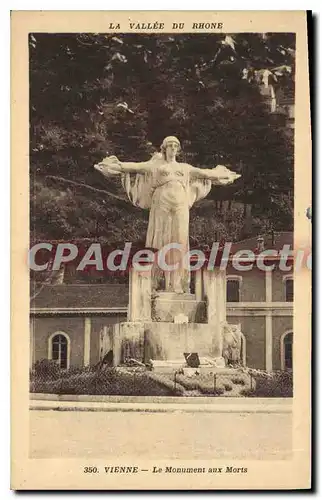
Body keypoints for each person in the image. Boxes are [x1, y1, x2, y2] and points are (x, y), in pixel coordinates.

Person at [95, 136, 240, 293]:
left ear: (178, 149)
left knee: (180, 240)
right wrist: (115, 165)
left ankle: (178, 283)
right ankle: (157, 281)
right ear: (164, 148)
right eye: (169, 145)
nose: (172, 148)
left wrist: (223, 175)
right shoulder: (154, 166)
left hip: (180, 203)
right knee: (160, 238)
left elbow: (206, 174)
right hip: (161, 202)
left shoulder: (185, 168)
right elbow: (132, 167)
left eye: (175, 145)